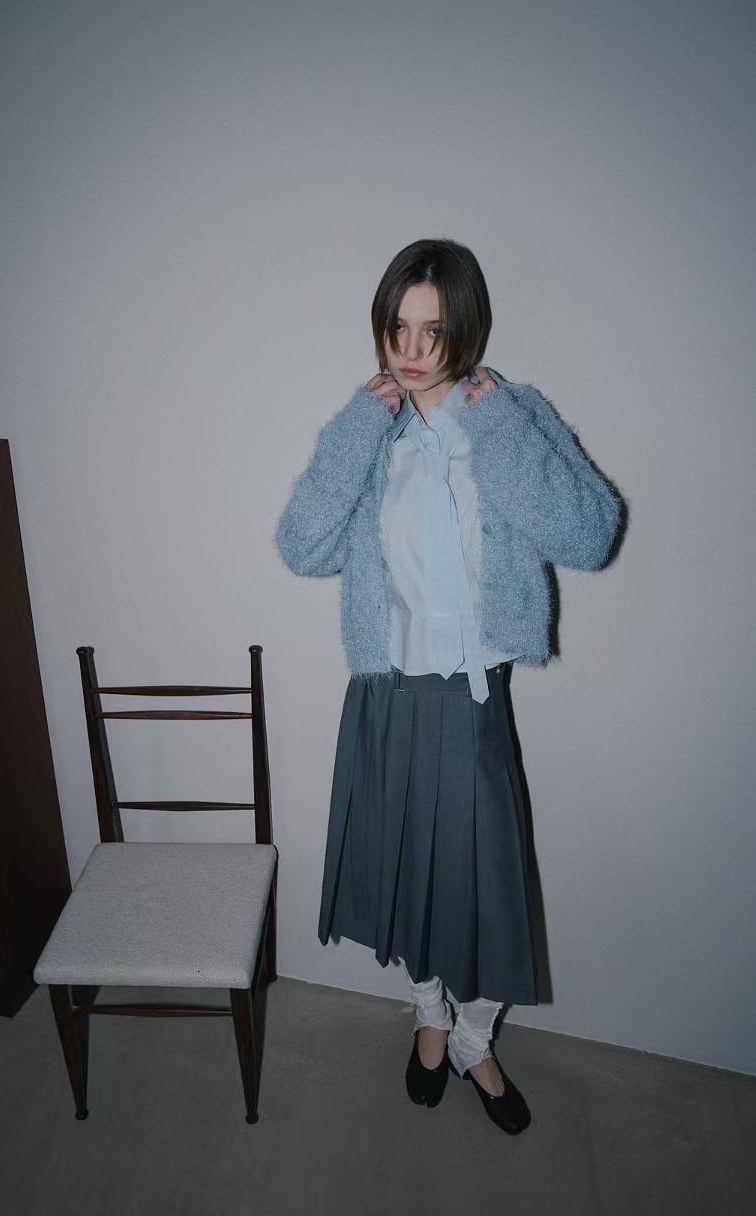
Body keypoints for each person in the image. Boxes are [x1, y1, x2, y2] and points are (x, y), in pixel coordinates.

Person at [275, 237, 621, 1136]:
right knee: (407, 876)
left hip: (470, 703)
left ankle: (473, 1038)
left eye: (433, 329)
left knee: (483, 891)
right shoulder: (372, 432)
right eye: (398, 327)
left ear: (467, 327)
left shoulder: (509, 414)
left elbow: (590, 534)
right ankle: (429, 1017)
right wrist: (357, 426)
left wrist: (497, 423)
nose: (413, 349)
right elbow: (301, 546)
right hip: (385, 696)